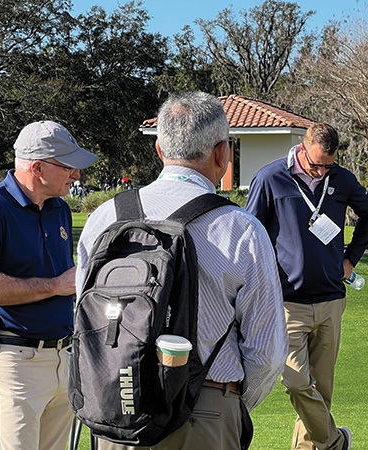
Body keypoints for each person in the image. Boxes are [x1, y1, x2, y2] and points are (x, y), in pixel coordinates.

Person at [76, 92, 288, 450]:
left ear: (159, 150)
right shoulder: (240, 227)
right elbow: (266, 353)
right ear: (222, 153)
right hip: (205, 410)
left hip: (115, 411)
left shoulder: (105, 217)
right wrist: (229, 402)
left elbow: (84, 318)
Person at [0, 120, 98, 450]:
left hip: (64, 356)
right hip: (14, 360)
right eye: (68, 167)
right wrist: (54, 286)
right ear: (38, 167)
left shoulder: (59, 208)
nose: (76, 175)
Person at [246, 123, 368, 450]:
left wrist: (351, 260)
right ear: (302, 149)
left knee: (321, 390)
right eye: (315, 164)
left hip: (332, 300)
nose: (320, 171)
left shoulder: (341, 179)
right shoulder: (270, 178)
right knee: (295, 382)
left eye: (327, 165)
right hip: (288, 302)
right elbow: (251, 235)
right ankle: (335, 441)